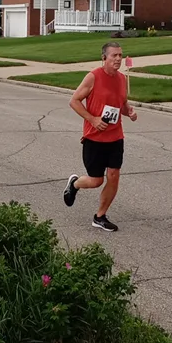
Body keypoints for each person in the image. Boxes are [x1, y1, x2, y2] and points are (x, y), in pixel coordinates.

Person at [62, 42, 137, 232]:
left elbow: (121, 104)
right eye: (114, 56)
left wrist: (129, 111)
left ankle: (100, 216)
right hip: (94, 137)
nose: (118, 59)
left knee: (113, 176)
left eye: (120, 55)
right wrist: (93, 119)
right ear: (104, 58)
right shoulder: (93, 77)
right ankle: (75, 183)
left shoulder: (121, 78)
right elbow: (74, 101)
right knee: (96, 181)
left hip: (115, 137)